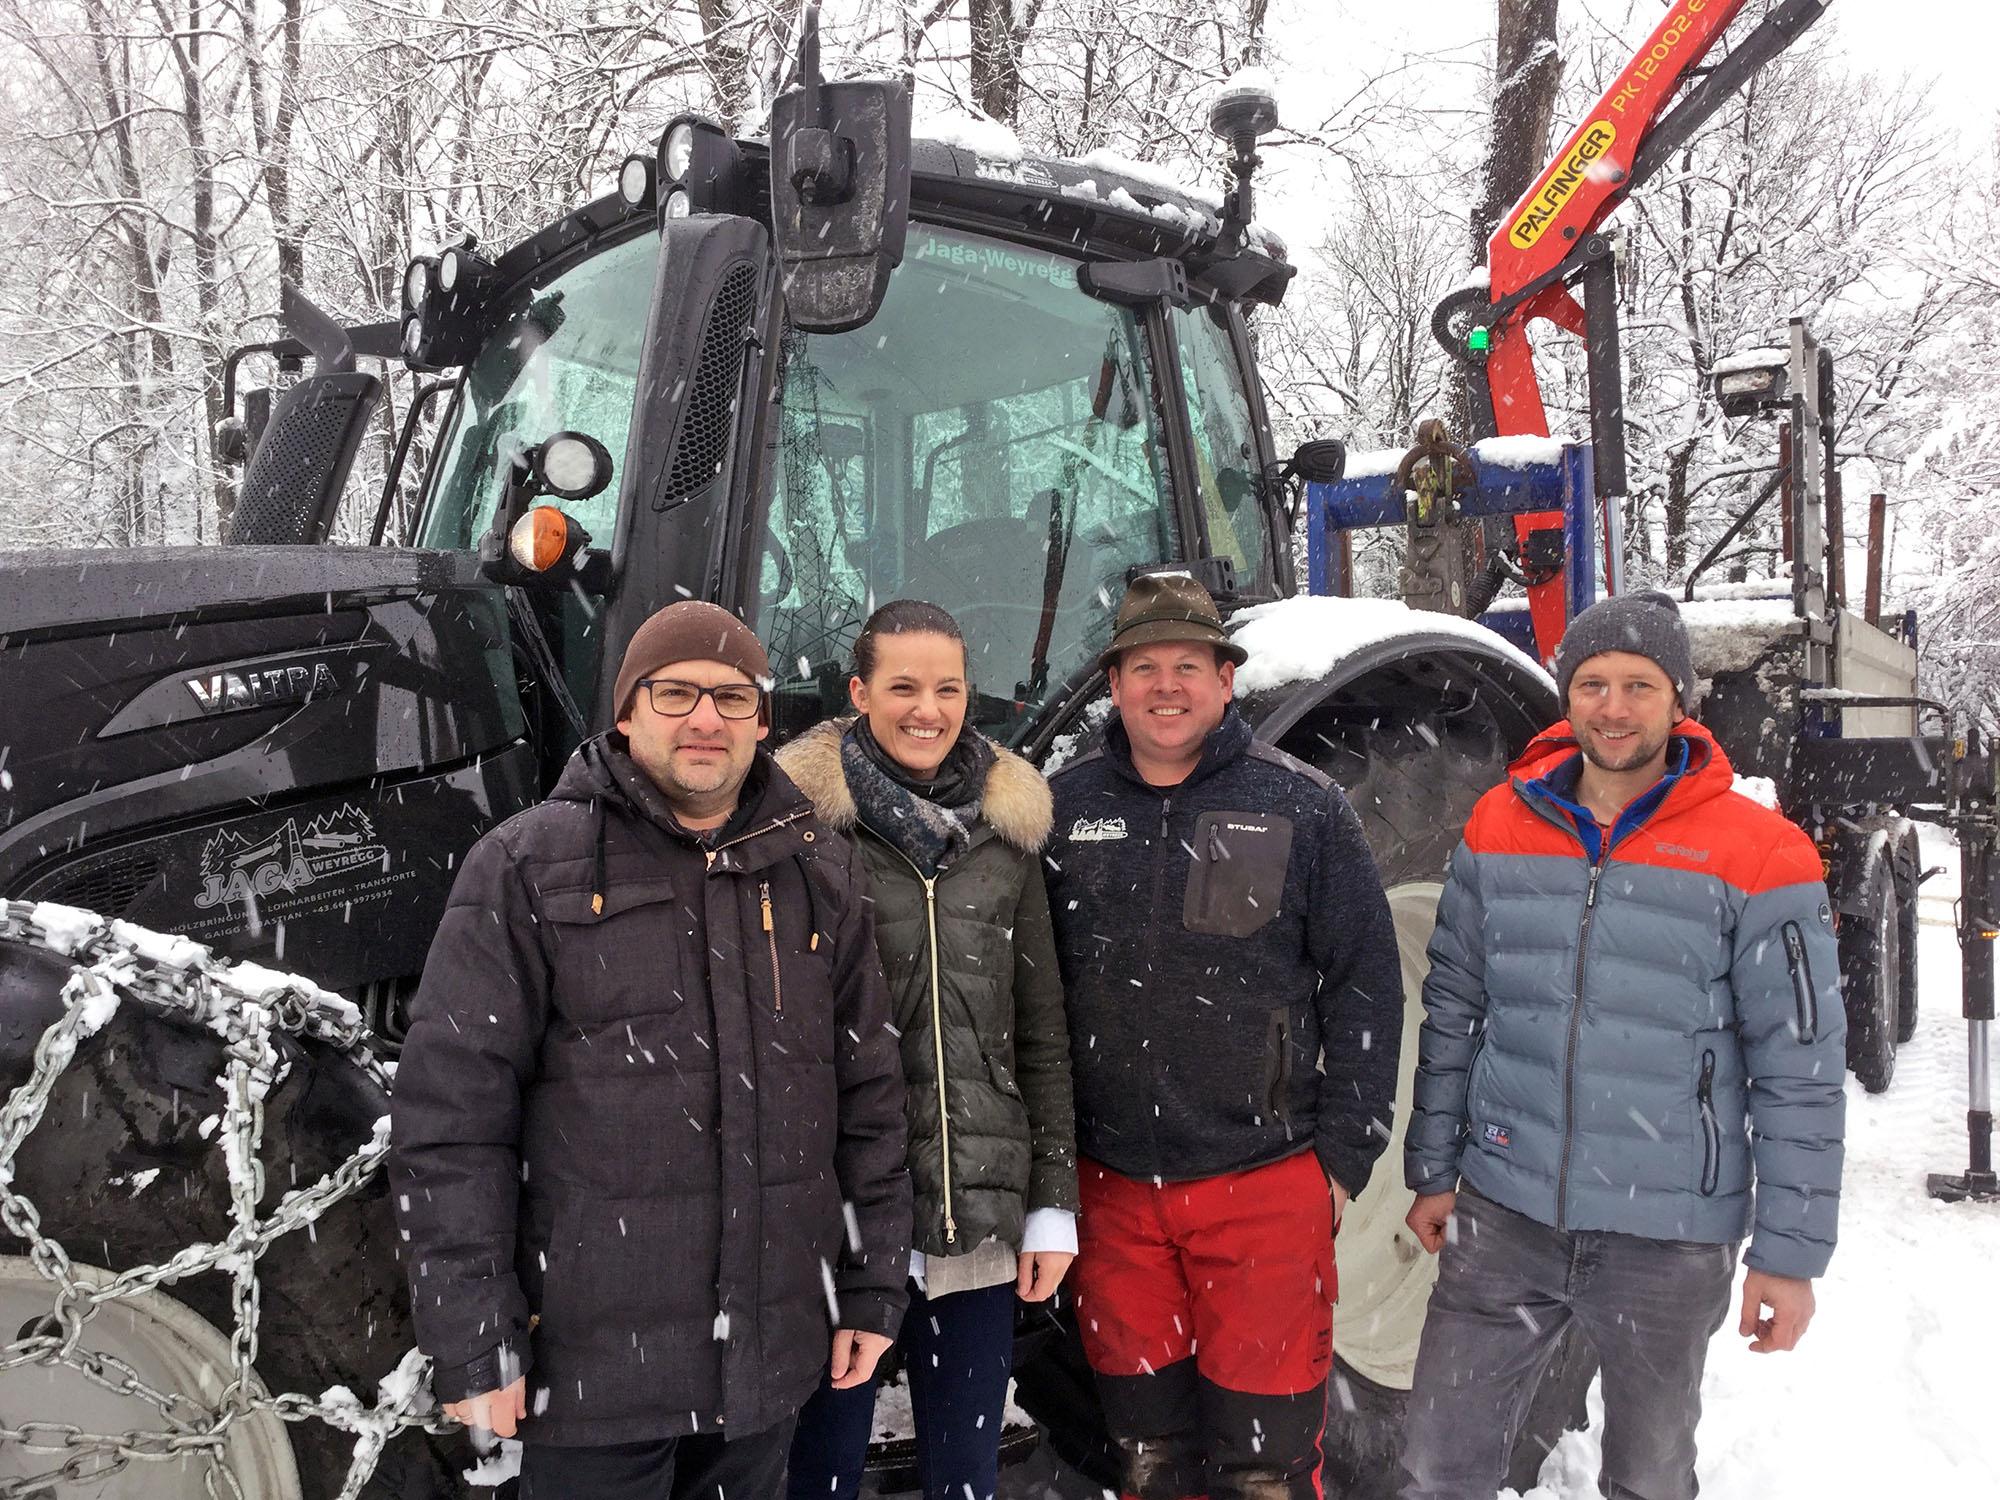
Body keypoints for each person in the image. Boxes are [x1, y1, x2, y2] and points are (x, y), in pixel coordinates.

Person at [388, 600, 912, 1500]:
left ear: (762, 722)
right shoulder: (526, 867)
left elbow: (869, 1094)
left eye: (731, 697)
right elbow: (452, 1119)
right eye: (675, 694)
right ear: (627, 714)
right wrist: (475, 1334)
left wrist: (870, 1287)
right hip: (593, 1378)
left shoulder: (822, 871)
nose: (705, 719)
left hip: (765, 1361)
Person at [1399, 588, 1847, 1500]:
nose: (1613, 708)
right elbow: (1453, 1008)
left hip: (1667, 1238)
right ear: (1566, 696)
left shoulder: (1762, 853)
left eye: (1639, 685)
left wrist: (1789, 1256)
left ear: (1680, 698)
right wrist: (1434, 1169)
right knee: (1436, 1468)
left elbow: (1800, 1071)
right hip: (1506, 1217)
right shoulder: (1500, 826)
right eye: (1593, 683)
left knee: (1647, 1480)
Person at [1042, 572, 1404, 1500]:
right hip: (1115, 1190)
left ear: (1226, 678)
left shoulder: (1305, 807)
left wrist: (1343, 1159)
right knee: (1151, 1460)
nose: (1168, 687)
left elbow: (1365, 982)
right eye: (1145, 667)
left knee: (1264, 1469)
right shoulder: (1062, 809)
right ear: (1115, 685)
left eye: (1189, 667)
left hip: (1262, 1186)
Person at [776, 599, 1079, 1500]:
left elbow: (1042, 1031)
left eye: (947, 688)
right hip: (847, 1220)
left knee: (966, 1478)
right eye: (902, 686)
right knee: (818, 1470)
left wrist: (1051, 1202)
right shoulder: (803, 835)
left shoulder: (1006, 837)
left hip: (975, 1218)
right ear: (859, 693)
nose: (927, 709)